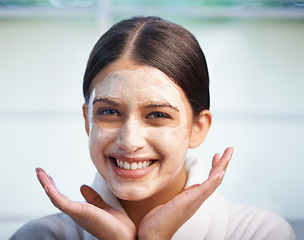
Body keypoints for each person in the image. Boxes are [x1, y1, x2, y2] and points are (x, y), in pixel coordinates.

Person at [10, 16, 295, 240]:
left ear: (198, 127)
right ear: (88, 120)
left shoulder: (259, 233)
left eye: (157, 115)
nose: (130, 141)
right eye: (109, 112)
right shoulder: (39, 237)